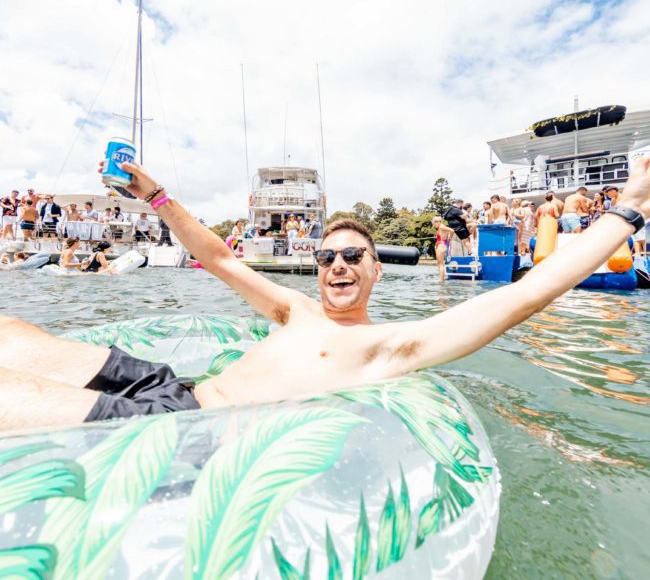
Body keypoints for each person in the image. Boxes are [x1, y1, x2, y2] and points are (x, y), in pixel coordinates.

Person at [0, 156, 649, 430]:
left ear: (376, 270)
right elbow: (218, 260)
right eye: (328, 256)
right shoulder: (295, 310)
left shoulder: (386, 346)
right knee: (12, 335)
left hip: (172, 427)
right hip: (168, 381)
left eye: (353, 256)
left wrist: (629, 210)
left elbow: (523, 296)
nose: (337, 264)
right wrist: (157, 196)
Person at [431, 216, 455, 282]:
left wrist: (450, 238)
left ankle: (441, 281)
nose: (433, 225)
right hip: (440, 245)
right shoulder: (440, 227)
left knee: (440, 264)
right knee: (440, 263)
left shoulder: (441, 227)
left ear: (437, 222)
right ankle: (441, 279)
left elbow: (452, 230)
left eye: (433, 223)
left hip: (441, 245)